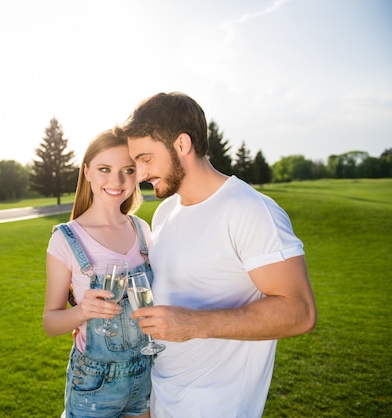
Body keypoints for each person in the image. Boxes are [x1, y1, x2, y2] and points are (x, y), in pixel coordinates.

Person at [120, 92, 317, 418]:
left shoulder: (250, 210)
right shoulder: (166, 211)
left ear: (182, 145)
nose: (140, 174)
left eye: (146, 159)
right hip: (162, 400)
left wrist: (195, 323)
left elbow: (300, 312)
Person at [43, 128, 153, 418]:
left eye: (127, 170)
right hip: (94, 385)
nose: (116, 181)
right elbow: (50, 323)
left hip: (146, 377)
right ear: (87, 172)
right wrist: (82, 312)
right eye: (105, 169)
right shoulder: (66, 239)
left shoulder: (142, 230)